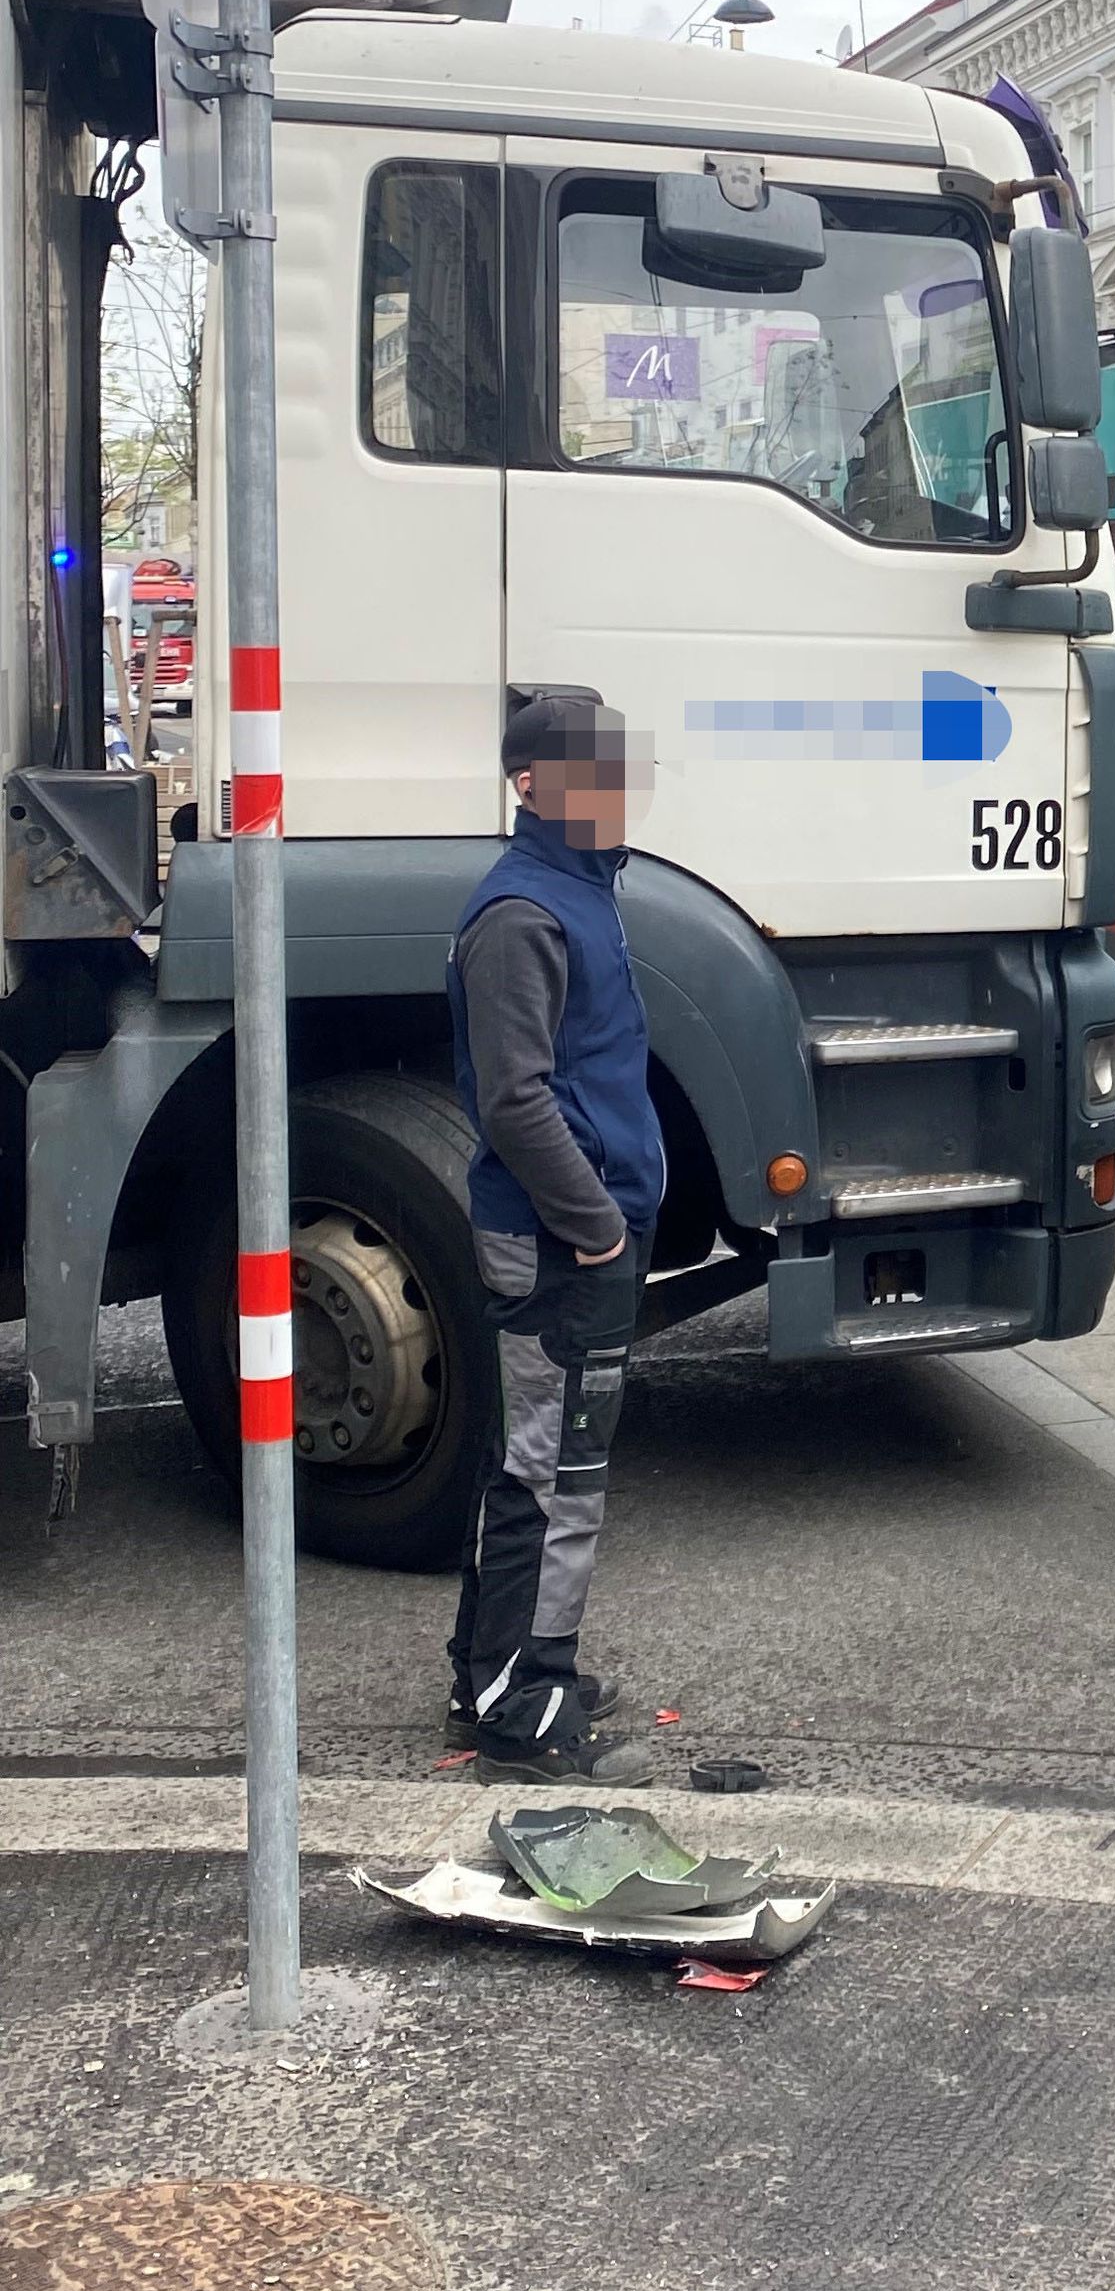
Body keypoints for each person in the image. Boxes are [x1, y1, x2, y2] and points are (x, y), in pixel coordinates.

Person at [445, 684, 666, 1787]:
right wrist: (593, 1229)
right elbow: (515, 1101)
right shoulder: (524, 913)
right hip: (558, 1239)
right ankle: (519, 1699)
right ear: (530, 784)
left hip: (572, 1228)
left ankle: (494, 1667)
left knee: (538, 1455)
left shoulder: (576, 891)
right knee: (554, 1466)